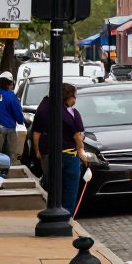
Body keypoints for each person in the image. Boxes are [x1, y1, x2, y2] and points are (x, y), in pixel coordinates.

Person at [32, 83, 88, 214]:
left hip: (48, 154)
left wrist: (37, 151)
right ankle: (67, 217)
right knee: (70, 190)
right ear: (68, 96)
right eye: (74, 96)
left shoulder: (43, 107)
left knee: (51, 187)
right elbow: (77, 136)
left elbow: (36, 133)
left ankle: (52, 212)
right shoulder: (70, 113)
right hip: (68, 155)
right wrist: (81, 151)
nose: (75, 100)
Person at [0, 70, 25, 188]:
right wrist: (20, 121)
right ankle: (5, 181)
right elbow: (19, 115)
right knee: (9, 156)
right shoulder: (11, 96)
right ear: (9, 83)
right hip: (9, 129)